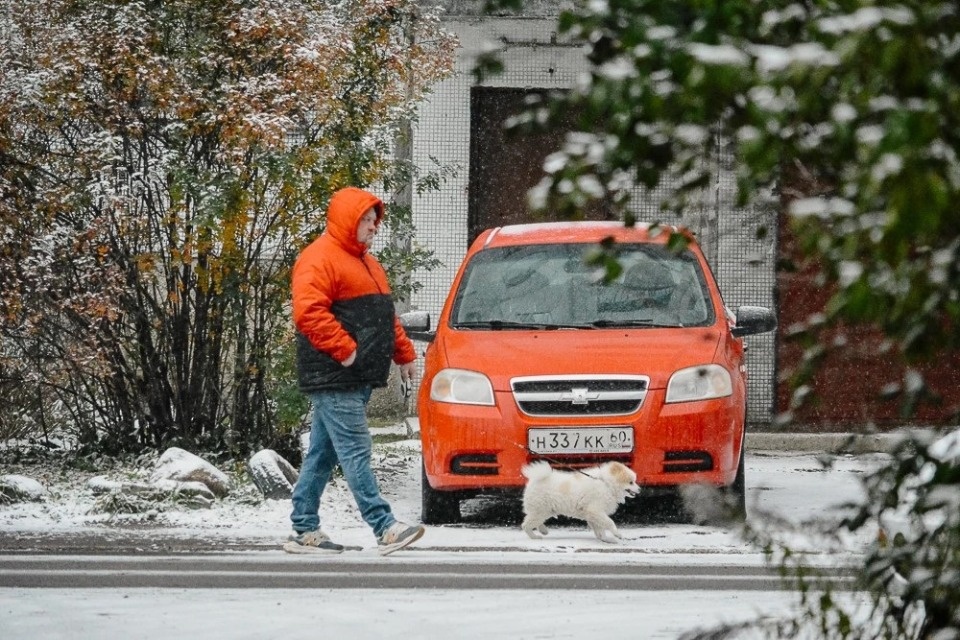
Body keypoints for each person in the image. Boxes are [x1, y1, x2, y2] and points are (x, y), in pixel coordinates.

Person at [285, 186, 423, 556]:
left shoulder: (367, 263)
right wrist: (346, 353)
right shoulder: (320, 259)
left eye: (374, 219)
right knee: (357, 450)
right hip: (335, 375)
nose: (373, 226)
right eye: (365, 219)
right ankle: (384, 527)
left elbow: (384, 317)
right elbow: (309, 312)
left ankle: (304, 529)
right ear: (348, 220)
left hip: (355, 375)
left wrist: (404, 354)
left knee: (323, 454)